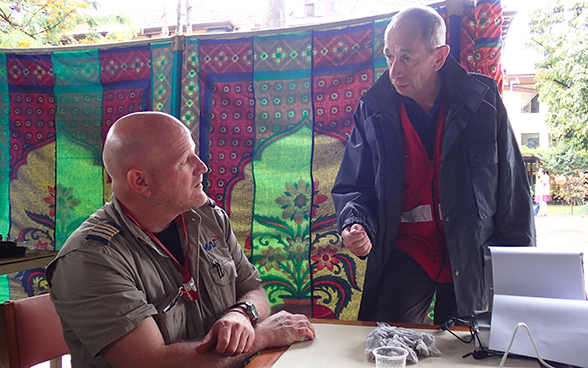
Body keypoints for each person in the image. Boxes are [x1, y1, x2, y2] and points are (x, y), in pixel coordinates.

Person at [46, 111, 315, 368]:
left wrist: (242, 314)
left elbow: (254, 289)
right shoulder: (90, 258)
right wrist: (261, 337)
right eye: (184, 160)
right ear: (140, 182)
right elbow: (153, 363)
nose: (203, 167)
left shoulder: (207, 217)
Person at [331, 6, 535, 324]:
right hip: (407, 249)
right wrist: (355, 223)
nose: (394, 70)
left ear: (439, 57)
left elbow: (512, 189)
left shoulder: (482, 102)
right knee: (389, 337)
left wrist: (518, 269)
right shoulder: (373, 109)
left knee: (468, 348)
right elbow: (353, 185)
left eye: (406, 57)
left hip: (471, 248)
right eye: (388, 57)